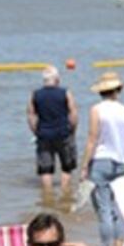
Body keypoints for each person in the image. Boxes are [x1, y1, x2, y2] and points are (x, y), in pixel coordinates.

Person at [81, 71, 124, 246]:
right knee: (116, 210)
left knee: (103, 209)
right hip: (120, 162)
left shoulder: (97, 109)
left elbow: (92, 139)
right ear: (118, 89)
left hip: (101, 161)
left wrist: (84, 166)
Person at [27, 65, 78, 194]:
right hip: (63, 133)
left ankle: (47, 195)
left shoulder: (35, 94)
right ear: (57, 79)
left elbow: (31, 114)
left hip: (44, 134)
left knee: (46, 169)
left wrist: (35, 131)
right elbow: (73, 113)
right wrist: (73, 130)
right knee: (67, 167)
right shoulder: (65, 92)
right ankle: (65, 192)